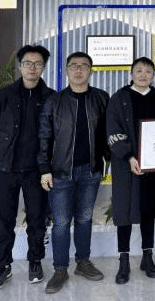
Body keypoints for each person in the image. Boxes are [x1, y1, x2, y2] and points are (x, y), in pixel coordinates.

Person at [38, 52, 110, 294]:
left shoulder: (101, 98)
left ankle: (83, 262)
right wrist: (44, 169)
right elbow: (44, 137)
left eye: (84, 66)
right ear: (67, 70)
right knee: (60, 223)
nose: (79, 70)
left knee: (84, 218)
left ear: (91, 71)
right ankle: (60, 269)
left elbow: (108, 133)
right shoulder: (54, 101)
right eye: (74, 66)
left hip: (91, 170)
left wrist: (110, 161)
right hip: (60, 172)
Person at [0, 45, 54, 290]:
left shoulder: (51, 97)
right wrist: (3, 148)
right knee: (3, 219)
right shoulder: (5, 95)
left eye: (38, 63)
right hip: (6, 169)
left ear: (43, 67)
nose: (32, 68)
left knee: (37, 219)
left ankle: (35, 261)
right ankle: (2, 266)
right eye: (27, 63)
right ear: (20, 65)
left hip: (37, 171)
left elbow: (55, 132)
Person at [106, 57, 155, 284]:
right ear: (131, 73)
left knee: (148, 210)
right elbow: (112, 130)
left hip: (152, 166)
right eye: (139, 71)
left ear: (153, 75)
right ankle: (123, 260)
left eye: (148, 71)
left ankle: (147, 257)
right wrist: (130, 157)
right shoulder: (119, 97)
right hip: (126, 165)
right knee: (124, 212)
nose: (143, 75)